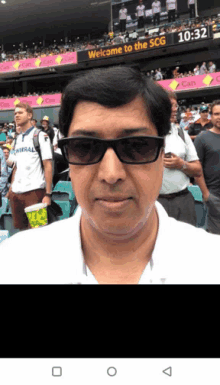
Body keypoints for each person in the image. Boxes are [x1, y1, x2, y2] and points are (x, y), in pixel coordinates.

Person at [1, 67, 220, 284]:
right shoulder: (14, 264)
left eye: (136, 146)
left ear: (162, 153)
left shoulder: (210, 263)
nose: (111, 174)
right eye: (85, 147)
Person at [157, 91, 202, 227]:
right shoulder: (144, 134)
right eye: (170, 105)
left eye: (176, 106)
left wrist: (181, 164)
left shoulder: (181, 134)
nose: (174, 110)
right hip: (155, 203)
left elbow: (198, 170)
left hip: (183, 200)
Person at [7, 102, 53, 231]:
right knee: (21, 233)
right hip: (16, 194)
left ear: (29, 115)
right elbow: (16, 165)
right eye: (15, 113)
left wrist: (48, 194)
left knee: (37, 232)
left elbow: (48, 165)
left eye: (20, 113)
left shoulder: (40, 136)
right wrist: (11, 187)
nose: (16, 115)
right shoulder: (17, 139)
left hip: (34, 192)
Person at [194, 100, 220, 234]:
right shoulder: (202, 138)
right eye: (216, 114)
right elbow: (197, 168)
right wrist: (206, 194)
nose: (219, 117)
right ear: (211, 116)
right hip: (215, 196)